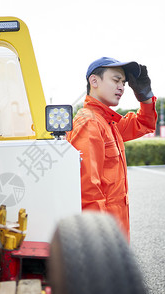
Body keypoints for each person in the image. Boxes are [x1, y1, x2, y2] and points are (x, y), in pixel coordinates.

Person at [66, 57, 157, 241]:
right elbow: (88, 190)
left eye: (123, 82)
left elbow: (144, 123)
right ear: (94, 81)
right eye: (116, 80)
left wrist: (145, 97)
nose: (122, 87)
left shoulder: (109, 122)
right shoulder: (90, 123)